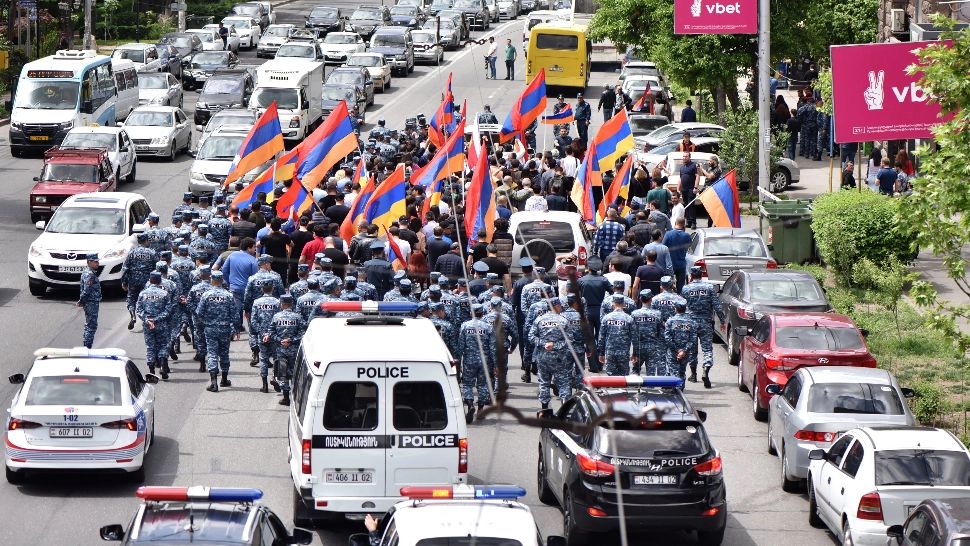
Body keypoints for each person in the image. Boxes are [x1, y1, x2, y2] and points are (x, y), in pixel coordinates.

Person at [681, 266, 724, 387]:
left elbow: (681, 306)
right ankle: (706, 370)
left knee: (692, 350)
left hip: (691, 323)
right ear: (701, 275)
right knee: (707, 349)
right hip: (706, 322)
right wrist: (723, 320)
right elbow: (717, 306)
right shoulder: (709, 287)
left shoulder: (686, 288)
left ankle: (693, 375)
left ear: (691, 276)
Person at [456, 304, 495, 423]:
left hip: (469, 360)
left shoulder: (465, 326)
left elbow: (460, 346)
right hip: (485, 361)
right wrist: (495, 365)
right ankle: (480, 411)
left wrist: (458, 362)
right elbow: (493, 348)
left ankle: (469, 404)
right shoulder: (488, 327)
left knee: (467, 384)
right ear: (482, 313)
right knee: (483, 385)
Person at [196, 271, 235, 392]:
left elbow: (199, 313)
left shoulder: (206, 295)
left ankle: (214, 382)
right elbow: (235, 314)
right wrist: (235, 328)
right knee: (224, 353)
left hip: (210, 328)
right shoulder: (228, 295)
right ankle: (224, 379)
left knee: (212, 353)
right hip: (225, 328)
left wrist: (205, 323)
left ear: (212, 279)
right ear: (222, 279)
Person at [530, 297, 571, 409]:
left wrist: (544, 344)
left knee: (544, 383)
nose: (561, 307)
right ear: (556, 306)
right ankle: (564, 410)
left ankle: (544, 410)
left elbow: (531, 337)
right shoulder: (563, 320)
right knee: (563, 383)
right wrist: (555, 345)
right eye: (560, 305)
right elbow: (569, 340)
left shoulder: (539, 320)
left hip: (543, 357)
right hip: (560, 358)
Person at [265, 294, 305, 406]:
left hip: (281, 349)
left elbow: (270, 333)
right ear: (292, 304)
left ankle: (286, 397)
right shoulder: (297, 317)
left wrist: (280, 340)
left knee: (282, 373)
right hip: (294, 349)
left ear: (281, 304)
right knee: (295, 372)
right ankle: (297, 396)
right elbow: (303, 333)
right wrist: (291, 340)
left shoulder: (276, 317)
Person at [219, 237, 259, 336]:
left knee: (235, 310)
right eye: (254, 247)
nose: (255, 250)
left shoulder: (232, 256)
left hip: (234, 288)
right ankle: (252, 332)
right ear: (249, 248)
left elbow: (224, 271)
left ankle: (234, 331)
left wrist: (229, 282)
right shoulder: (253, 260)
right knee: (249, 311)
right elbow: (255, 278)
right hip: (248, 290)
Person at [137, 271, 172, 378]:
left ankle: (152, 372)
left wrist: (148, 320)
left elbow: (139, 310)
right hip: (161, 324)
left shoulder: (143, 294)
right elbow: (168, 310)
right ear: (160, 281)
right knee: (163, 345)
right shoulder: (164, 294)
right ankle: (162, 366)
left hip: (148, 324)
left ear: (150, 280)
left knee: (150, 347)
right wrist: (157, 319)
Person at [123, 233, 159, 330]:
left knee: (131, 299)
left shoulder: (132, 252)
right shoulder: (152, 252)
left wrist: (124, 282)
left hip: (133, 280)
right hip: (148, 281)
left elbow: (125, 268)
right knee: (147, 299)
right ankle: (148, 320)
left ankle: (133, 316)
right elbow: (157, 268)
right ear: (146, 241)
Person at [249, 283, 280, 391]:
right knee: (276, 358)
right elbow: (279, 320)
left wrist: (262, 333)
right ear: (273, 288)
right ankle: (275, 378)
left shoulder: (257, 302)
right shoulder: (277, 302)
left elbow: (253, 321)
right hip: (274, 335)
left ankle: (265, 385)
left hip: (262, 336)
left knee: (263, 359)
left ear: (262, 289)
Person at [597, 294, 635, 376]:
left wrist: (601, 353)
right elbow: (634, 338)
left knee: (611, 378)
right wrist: (635, 353)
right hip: (624, 352)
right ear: (624, 304)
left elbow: (601, 337)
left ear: (613, 304)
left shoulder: (606, 318)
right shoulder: (629, 318)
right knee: (624, 378)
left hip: (610, 352)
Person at [631, 289, 664, 375]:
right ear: (651, 299)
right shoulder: (657, 314)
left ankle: (635, 388)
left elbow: (632, 332)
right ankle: (650, 387)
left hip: (638, 346)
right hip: (653, 346)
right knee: (651, 373)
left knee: (635, 371)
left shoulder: (634, 314)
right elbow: (660, 332)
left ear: (640, 299)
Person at [664, 301, 697, 382]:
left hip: (672, 352)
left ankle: (676, 391)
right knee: (682, 372)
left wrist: (677, 350)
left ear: (675, 309)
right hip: (685, 353)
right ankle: (680, 390)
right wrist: (684, 351)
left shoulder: (670, 321)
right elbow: (693, 339)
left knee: (673, 372)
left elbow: (667, 337)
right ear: (685, 309)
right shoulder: (692, 322)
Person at [77, 254, 102, 349]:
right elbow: (86, 289)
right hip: (91, 302)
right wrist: (81, 301)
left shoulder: (87, 272)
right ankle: (87, 347)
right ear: (89, 262)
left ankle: (86, 344)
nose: (97, 263)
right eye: (95, 262)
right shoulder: (90, 274)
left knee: (89, 324)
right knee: (91, 325)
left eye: (97, 261)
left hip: (90, 302)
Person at [662, 218, 692, 291]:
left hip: (670, 264)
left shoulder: (668, 234)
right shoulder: (686, 235)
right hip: (681, 263)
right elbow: (689, 246)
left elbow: (663, 247)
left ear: (675, 223)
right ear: (684, 225)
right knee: (681, 285)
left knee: (668, 285)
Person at [678, 152, 700, 229]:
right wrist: (678, 189)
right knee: (686, 205)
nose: (684, 158)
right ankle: (688, 222)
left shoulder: (693, 165)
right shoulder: (682, 167)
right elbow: (680, 179)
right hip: (684, 189)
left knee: (691, 206)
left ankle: (694, 223)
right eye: (683, 156)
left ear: (689, 157)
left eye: (686, 156)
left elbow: (697, 176)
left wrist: (696, 187)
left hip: (691, 189)